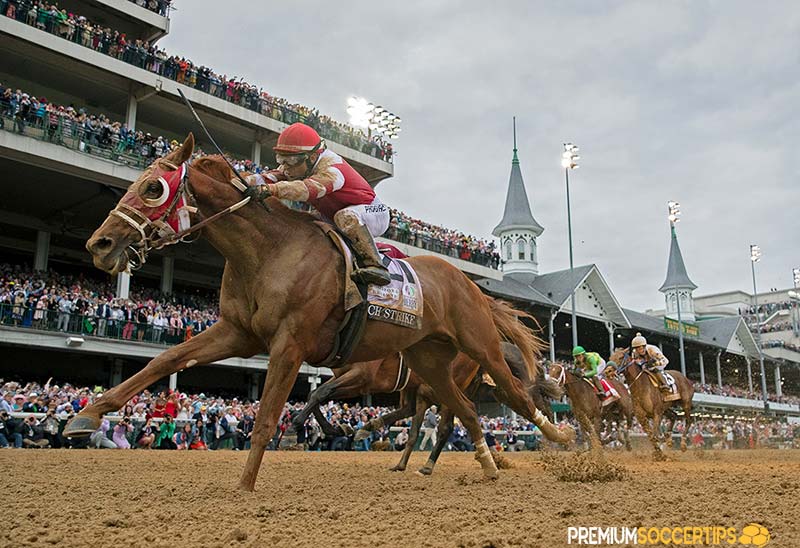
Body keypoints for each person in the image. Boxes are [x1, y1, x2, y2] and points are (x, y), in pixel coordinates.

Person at [245, 123, 391, 285]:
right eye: (281, 159)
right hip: (334, 215)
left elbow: (307, 189)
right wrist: (241, 180)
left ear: (312, 157)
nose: (285, 167)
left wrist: (270, 190)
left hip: (373, 213)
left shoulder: (333, 169)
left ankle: (375, 265)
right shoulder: (301, 164)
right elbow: (272, 176)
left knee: (346, 216)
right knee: (307, 222)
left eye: (290, 160)